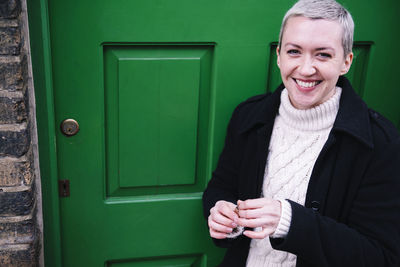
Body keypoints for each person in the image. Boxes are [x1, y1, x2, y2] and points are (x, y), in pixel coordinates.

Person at [202, 0, 400, 266]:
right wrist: (220, 213)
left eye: (323, 55)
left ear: (346, 62)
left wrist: (291, 222)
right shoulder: (248, 117)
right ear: (279, 56)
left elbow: (381, 256)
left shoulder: (380, 143)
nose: (306, 69)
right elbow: (222, 187)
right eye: (294, 51)